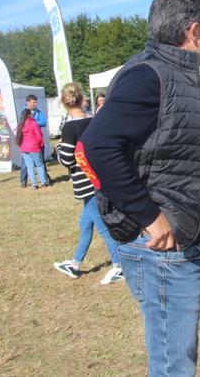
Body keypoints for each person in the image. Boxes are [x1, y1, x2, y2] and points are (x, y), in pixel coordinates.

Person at [77, 0, 200, 377]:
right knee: (173, 368)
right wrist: (150, 217)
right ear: (193, 31)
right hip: (163, 253)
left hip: (179, 251)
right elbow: (97, 146)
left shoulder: (174, 71)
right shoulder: (148, 75)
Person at [52, 82, 123, 285]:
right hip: (99, 176)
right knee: (85, 224)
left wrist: (57, 146)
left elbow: (65, 159)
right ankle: (74, 265)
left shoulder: (69, 127)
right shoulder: (93, 121)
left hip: (84, 182)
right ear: (81, 99)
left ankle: (119, 266)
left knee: (101, 226)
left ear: (65, 103)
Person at [19, 95, 49, 188]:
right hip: (34, 145)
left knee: (30, 166)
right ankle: (41, 182)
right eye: (33, 102)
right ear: (28, 102)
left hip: (24, 147)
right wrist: (35, 123)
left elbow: (44, 122)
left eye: (35, 102)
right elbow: (39, 134)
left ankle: (34, 183)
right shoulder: (31, 122)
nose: (35, 104)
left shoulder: (36, 113)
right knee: (38, 165)